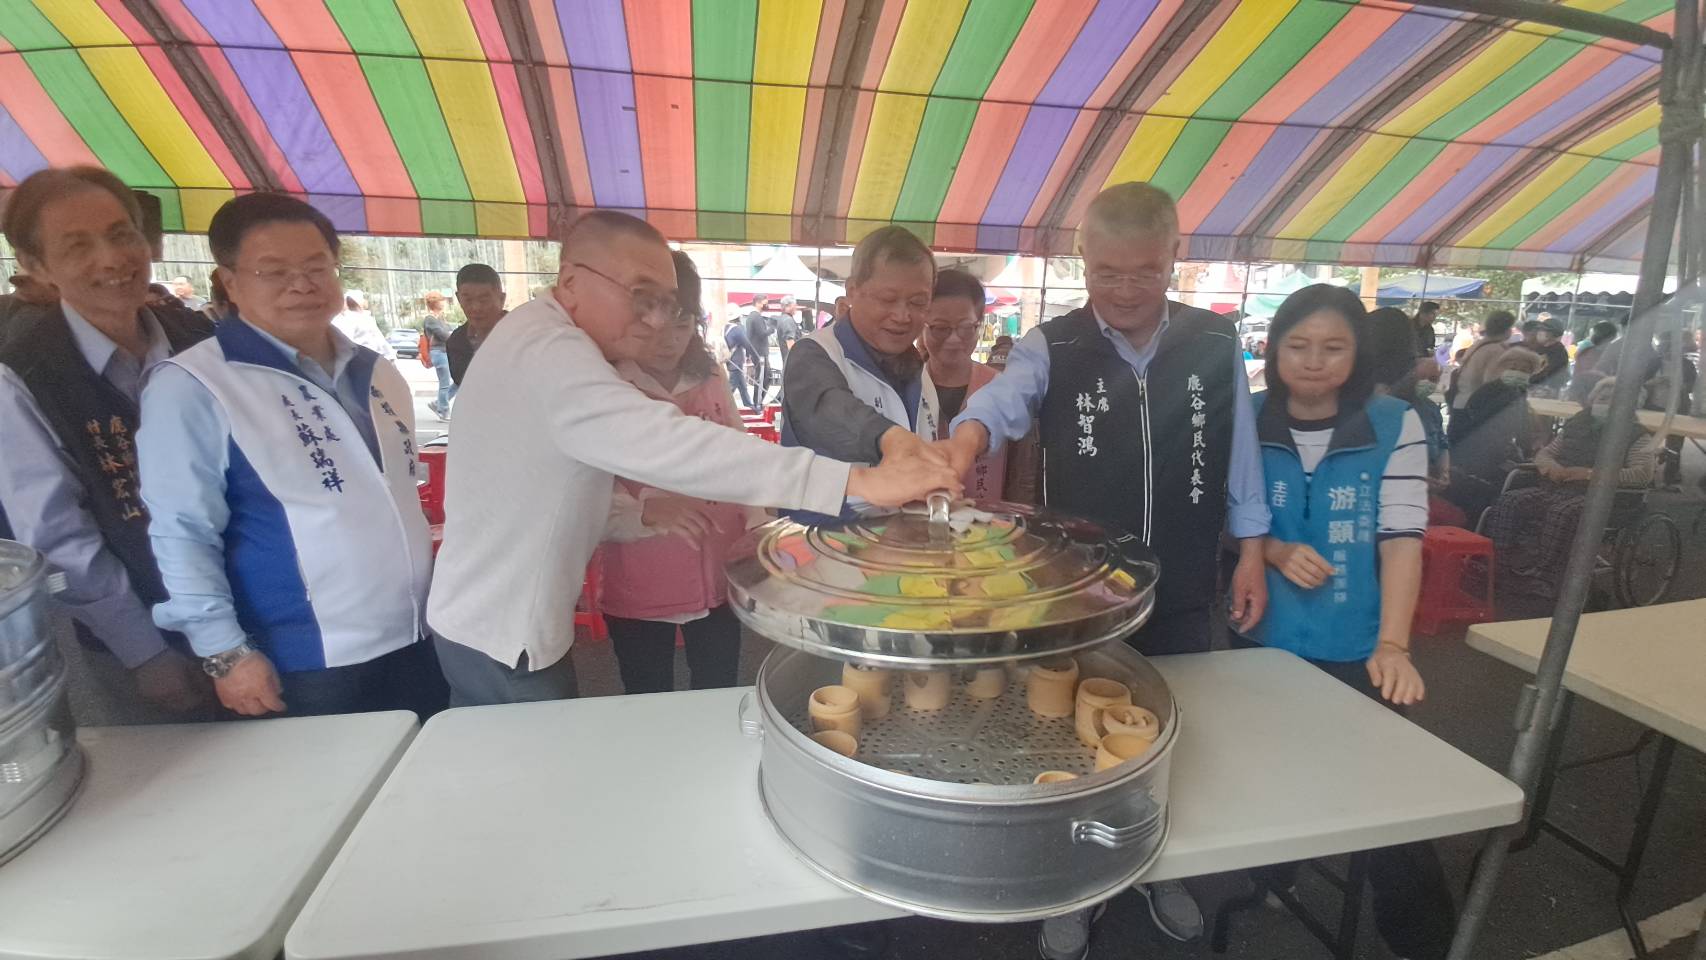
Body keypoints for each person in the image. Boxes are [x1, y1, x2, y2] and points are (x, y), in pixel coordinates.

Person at [426, 211, 958, 708]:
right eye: (640, 296)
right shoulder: (551, 352)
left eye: (667, 303)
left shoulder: (543, 337)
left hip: (503, 624)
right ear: (570, 282)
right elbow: (670, 444)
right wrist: (858, 481)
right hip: (501, 635)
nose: (656, 321)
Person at [941, 182, 1268, 955]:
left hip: (1184, 583)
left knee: (1172, 734)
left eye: (1144, 272)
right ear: (1082, 260)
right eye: (1107, 273)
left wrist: (1252, 553)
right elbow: (1000, 404)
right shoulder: (1053, 345)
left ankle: (1160, 866)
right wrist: (964, 441)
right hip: (1085, 595)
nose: (1124, 291)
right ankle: (1075, 884)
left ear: (1174, 258)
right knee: (1074, 740)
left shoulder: (1214, 343)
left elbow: (1242, 456)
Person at [137, 193, 447, 719]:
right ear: (231, 281)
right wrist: (224, 652)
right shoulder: (195, 385)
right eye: (274, 271)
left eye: (316, 267)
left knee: (427, 764)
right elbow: (182, 531)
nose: (301, 284)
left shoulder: (377, 372)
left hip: (417, 636)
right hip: (306, 661)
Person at [1242, 283, 1455, 960]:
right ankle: (1274, 876)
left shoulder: (1395, 423)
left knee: (1390, 797)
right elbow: (1226, 516)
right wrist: (1274, 551)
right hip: (1263, 637)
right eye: (1298, 346)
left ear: (1357, 353)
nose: (1313, 361)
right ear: (1275, 351)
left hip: (1356, 641)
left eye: (1333, 347)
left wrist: (1394, 644)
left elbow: (1402, 540)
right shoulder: (1245, 417)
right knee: (1269, 766)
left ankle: (1423, 941)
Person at [0, 165, 216, 724]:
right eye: (78, 246)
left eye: (122, 234)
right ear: (35, 265)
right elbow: (57, 534)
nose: (113, 259)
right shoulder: (24, 375)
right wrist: (143, 651)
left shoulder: (202, 341)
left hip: (252, 619)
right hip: (148, 643)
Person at [599, 251, 754, 693]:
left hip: (718, 574)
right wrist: (643, 511)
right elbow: (583, 490)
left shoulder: (711, 375)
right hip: (640, 581)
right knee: (647, 697)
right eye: (653, 322)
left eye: (682, 323)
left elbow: (740, 454)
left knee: (718, 689)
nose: (667, 340)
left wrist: (758, 517)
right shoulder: (606, 384)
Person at [779, 226, 946, 516]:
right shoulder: (814, 354)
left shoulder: (918, 368)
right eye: (887, 299)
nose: (902, 316)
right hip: (823, 536)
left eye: (918, 302)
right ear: (852, 291)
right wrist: (890, 439)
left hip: (899, 537)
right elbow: (830, 410)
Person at [1484, 378, 1659, 600]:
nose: (1606, 403)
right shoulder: (1577, 424)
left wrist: (1589, 474)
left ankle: (1545, 575)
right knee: (1510, 501)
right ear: (1592, 399)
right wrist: (1550, 467)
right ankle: (1498, 562)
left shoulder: (1638, 435)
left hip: (1606, 497)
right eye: (1602, 398)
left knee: (1561, 512)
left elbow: (1642, 475)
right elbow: (1545, 453)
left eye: (1615, 400)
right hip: (1559, 488)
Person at [924, 268, 1005, 500]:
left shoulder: (999, 387)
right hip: (918, 515)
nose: (953, 339)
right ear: (922, 325)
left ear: (979, 325)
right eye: (940, 328)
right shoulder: (905, 387)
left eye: (965, 328)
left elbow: (1021, 469)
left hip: (987, 517)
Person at [1443, 348, 1544, 522]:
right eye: (1513, 367)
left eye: (1524, 370)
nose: (1517, 372)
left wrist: (1527, 453)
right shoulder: (1490, 391)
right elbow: (1479, 425)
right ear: (1502, 368)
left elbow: (1522, 428)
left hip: (1498, 452)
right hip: (1475, 453)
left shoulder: (1518, 393)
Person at [446, 263, 507, 386]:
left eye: (484, 300)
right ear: (458, 299)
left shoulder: (523, 334)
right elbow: (462, 383)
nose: (476, 308)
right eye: (468, 300)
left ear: (501, 299)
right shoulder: (456, 342)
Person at [1447, 309, 1515, 412]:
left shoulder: (1476, 346)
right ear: (1506, 329)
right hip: (1476, 408)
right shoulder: (1496, 350)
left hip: (1461, 402)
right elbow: (1493, 383)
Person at [1569, 320, 1621, 401]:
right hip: (1595, 397)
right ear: (1611, 337)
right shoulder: (1612, 354)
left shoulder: (1585, 352)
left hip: (1578, 395)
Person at [422, 290, 454, 419]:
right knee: (445, 383)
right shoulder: (430, 319)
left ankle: (438, 404)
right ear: (435, 303)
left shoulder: (440, 318)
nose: (444, 303)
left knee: (457, 380)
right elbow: (444, 335)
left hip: (444, 352)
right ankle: (443, 410)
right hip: (438, 353)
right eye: (442, 301)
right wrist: (453, 336)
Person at [333, 289, 393, 359]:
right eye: (363, 299)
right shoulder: (350, 319)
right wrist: (390, 355)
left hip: (371, 357)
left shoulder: (365, 318)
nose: (365, 301)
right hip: (363, 358)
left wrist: (390, 354)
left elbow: (379, 339)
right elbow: (346, 341)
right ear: (358, 302)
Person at [742, 293, 775, 401]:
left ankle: (758, 401)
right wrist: (772, 328)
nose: (767, 305)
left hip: (757, 352)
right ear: (758, 303)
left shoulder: (752, 317)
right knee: (763, 378)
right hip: (760, 353)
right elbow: (762, 333)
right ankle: (757, 401)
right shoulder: (756, 317)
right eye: (765, 303)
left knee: (765, 376)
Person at [722, 314, 759, 408]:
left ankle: (749, 405)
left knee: (742, 385)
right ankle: (721, 407)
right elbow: (747, 344)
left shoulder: (726, 328)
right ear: (738, 317)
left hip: (730, 360)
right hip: (736, 362)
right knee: (731, 387)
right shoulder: (737, 329)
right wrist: (756, 357)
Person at [1526, 318, 1570, 394]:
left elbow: (1549, 372)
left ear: (1552, 334)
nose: (1539, 333)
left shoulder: (1558, 351)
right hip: (1532, 388)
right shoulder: (1538, 347)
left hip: (1547, 390)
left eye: (1543, 330)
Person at [774, 294, 802, 363]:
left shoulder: (782, 318)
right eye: (795, 305)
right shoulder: (788, 320)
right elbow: (791, 345)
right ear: (788, 306)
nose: (796, 307)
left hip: (787, 361)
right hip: (793, 362)